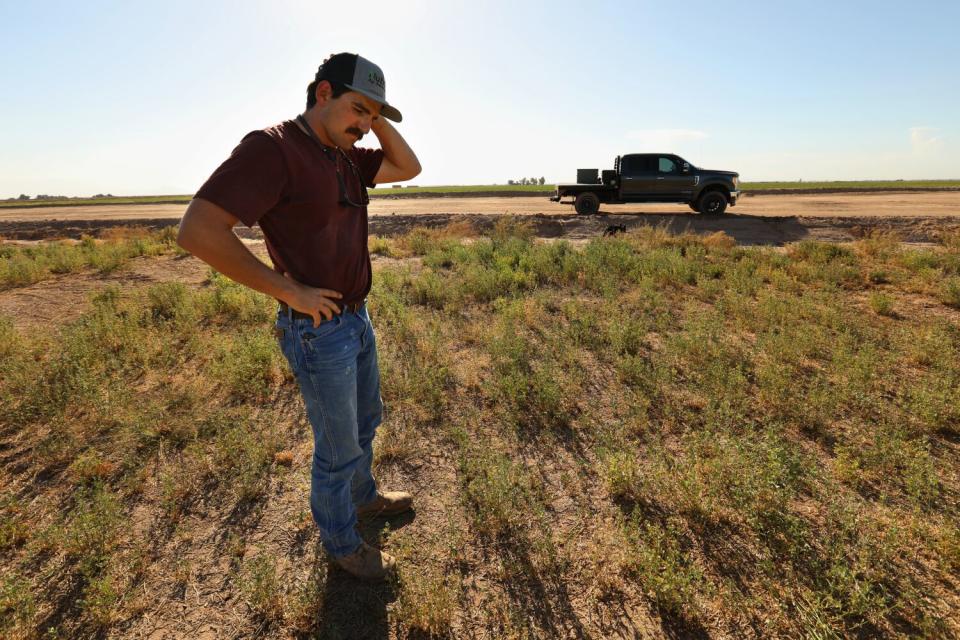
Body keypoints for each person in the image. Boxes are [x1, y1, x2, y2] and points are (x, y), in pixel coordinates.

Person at [177, 53, 421, 580]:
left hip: (355, 318)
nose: (364, 125)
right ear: (323, 93)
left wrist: (371, 118)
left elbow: (408, 169)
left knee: (365, 421)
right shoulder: (274, 148)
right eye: (357, 108)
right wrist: (288, 291)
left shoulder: (345, 156)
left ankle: (363, 499)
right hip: (316, 330)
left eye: (373, 116)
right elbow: (197, 230)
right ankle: (342, 545)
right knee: (337, 446)